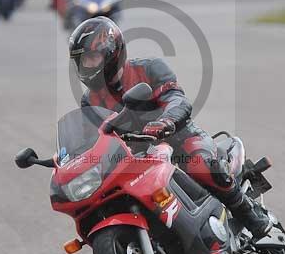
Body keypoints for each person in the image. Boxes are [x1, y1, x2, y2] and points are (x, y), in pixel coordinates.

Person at [68, 16, 273, 239]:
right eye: (82, 61)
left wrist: (165, 122)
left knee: (201, 166)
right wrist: (69, 159)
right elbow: (93, 137)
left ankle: (249, 214)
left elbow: (177, 99)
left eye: (92, 58)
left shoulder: (149, 68)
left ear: (111, 52)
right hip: (135, 158)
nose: (86, 66)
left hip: (179, 138)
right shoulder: (90, 101)